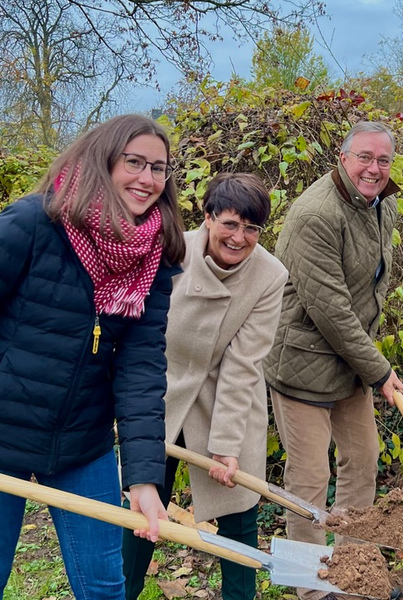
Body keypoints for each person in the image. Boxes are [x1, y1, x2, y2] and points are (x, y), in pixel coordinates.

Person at [0, 114, 186, 599]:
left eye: (158, 168)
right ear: (102, 160)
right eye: (134, 162)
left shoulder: (153, 255)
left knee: (104, 585)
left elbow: (141, 368)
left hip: (81, 440)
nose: (147, 179)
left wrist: (143, 477)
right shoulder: (31, 223)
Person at [122, 173, 288, 600]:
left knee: (237, 511)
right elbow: (139, 332)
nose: (239, 238)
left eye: (251, 228)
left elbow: (243, 364)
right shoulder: (171, 250)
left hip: (227, 399)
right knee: (142, 508)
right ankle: (121, 591)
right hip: (161, 391)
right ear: (209, 217)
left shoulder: (270, 275)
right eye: (230, 224)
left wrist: (226, 444)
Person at [263, 121, 403, 600]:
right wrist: (379, 370)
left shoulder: (381, 205)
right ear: (343, 159)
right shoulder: (315, 214)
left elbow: (371, 290)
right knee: (309, 480)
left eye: (383, 160)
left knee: (363, 462)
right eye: (364, 157)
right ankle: (311, 588)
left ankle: (352, 574)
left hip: (349, 365)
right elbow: (331, 309)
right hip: (302, 364)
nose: (374, 168)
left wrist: (369, 364)